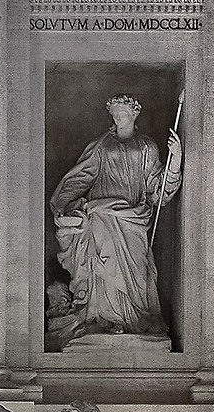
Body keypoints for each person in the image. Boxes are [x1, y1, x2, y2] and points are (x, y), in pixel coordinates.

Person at [49, 94, 183, 344]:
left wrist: (175, 159)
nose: (118, 119)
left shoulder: (146, 147)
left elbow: (158, 188)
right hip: (102, 214)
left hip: (133, 218)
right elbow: (83, 176)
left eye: (123, 114)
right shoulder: (101, 145)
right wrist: (63, 202)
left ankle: (134, 319)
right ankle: (105, 319)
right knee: (104, 264)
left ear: (134, 115)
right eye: (115, 115)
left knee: (137, 270)